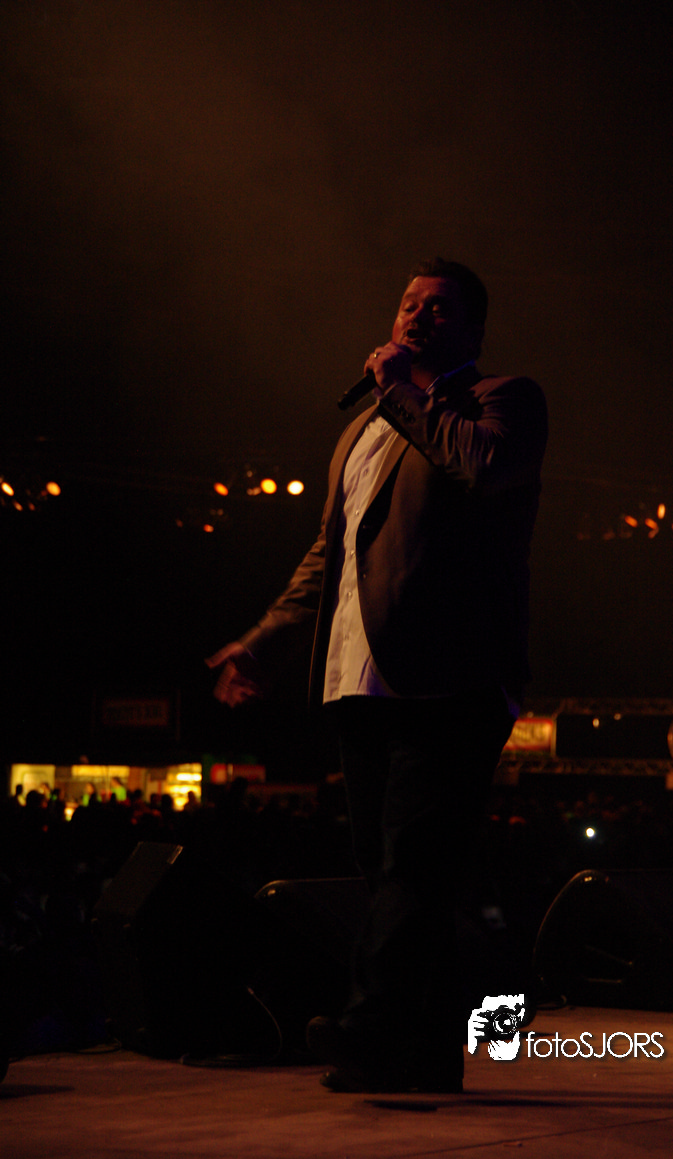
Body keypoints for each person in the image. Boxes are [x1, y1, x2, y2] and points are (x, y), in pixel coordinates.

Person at [208, 258, 548, 1092]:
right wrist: (262, 640)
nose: (417, 316)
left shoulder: (503, 399)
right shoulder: (362, 431)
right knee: (392, 869)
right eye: (408, 304)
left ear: (473, 329)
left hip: (454, 675)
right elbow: (329, 553)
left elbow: (483, 466)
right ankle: (423, 1054)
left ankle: (369, 1026)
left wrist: (408, 390)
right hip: (360, 676)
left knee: (413, 863)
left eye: (439, 308)